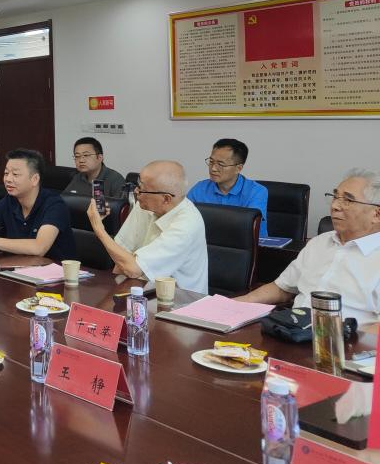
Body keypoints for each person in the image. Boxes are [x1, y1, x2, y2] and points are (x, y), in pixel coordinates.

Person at [236, 168, 380, 325]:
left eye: (348, 200)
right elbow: (281, 288)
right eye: (335, 197)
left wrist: (342, 335)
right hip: (292, 330)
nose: (335, 206)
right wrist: (235, 305)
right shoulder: (319, 243)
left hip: (344, 338)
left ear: (376, 214)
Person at [87, 160, 208, 294]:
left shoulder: (187, 224)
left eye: (142, 189)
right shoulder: (145, 204)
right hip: (142, 291)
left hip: (181, 300)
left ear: (166, 199)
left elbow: (132, 269)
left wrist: (99, 229)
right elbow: (122, 257)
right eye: (138, 185)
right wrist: (114, 294)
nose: (136, 192)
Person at [187, 138, 270, 237]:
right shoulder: (200, 188)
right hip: (208, 243)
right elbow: (182, 218)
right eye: (211, 162)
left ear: (238, 168)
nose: (213, 168)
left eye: (221, 164)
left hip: (247, 245)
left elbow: (249, 227)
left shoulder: (256, 192)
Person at [62, 137, 126, 198]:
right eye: (77, 156)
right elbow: (64, 200)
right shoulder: (78, 177)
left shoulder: (115, 180)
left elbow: (120, 205)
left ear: (100, 158)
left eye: (86, 155)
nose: (81, 160)